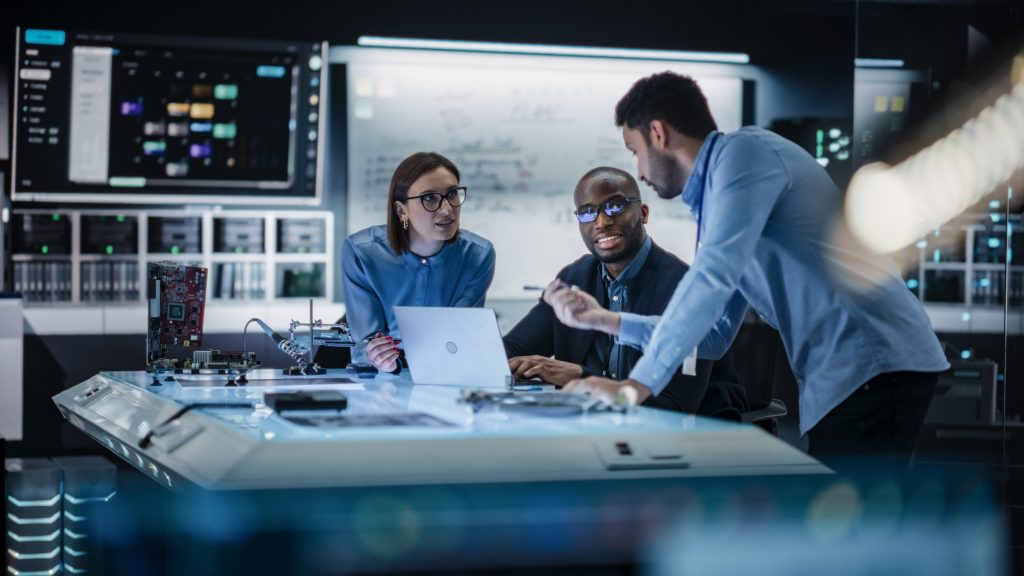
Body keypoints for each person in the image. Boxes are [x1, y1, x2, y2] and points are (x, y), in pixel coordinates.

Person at [545, 72, 948, 462]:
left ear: (658, 133)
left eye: (635, 152)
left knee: (856, 521)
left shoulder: (745, 155)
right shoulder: (718, 200)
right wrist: (606, 320)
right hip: (846, 376)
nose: (639, 172)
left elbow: (711, 278)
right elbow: (715, 337)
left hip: (874, 360)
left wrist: (633, 388)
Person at [503, 166, 746, 418]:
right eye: (587, 213)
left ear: (643, 213)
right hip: (594, 424)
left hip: (685, 434)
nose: (601, 221)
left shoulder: (684, 287)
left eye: (615, 206)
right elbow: (512, 347)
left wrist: (581, 375)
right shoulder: (574, 277)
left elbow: (674, 409)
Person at [342, 151, 496, 373]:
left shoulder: (478, 255)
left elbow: (459, 338)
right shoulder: (362, 253)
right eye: (430, 198)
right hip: (378, 380)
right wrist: (380, 357)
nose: (447, 209)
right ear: (401, 210)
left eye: (452, 194)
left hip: (445, 374)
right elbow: (366, 346)